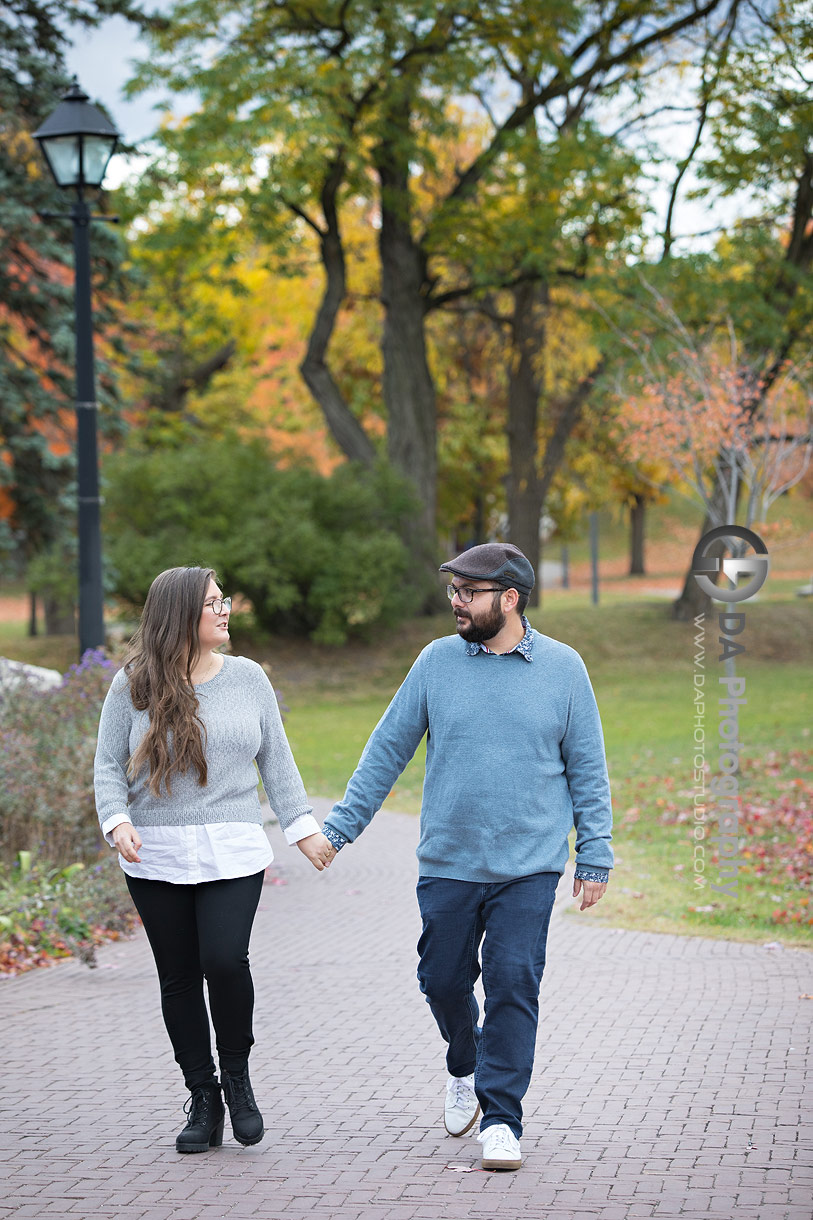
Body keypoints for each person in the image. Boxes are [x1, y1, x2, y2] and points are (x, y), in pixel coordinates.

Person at [306, 542, 613, 1171]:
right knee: (441, 978)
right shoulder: (436, 663)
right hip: (448, 861)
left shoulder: (564, 669)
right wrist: (339, 830)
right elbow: (386, 750)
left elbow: (588, 768)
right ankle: (463, 1063)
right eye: (454, 591)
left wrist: (595, 855)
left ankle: (502, 1119)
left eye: (468, 593)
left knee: (513, 981)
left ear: (509, 598)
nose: (456, 602)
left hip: (529, 866)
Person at [94, 566, 332, 1153]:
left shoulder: (249, 679)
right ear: (179, 615)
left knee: (225, 961)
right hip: (155, 853)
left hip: (233, 847)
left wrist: (303, 829)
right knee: (178, 977)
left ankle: (238, 1081)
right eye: (213, 603)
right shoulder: (133, 687)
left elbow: (277, 762)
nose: (225, 610)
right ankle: (203, 1097)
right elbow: (106, 767)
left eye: (224, 601)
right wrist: (117, 822)